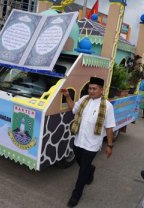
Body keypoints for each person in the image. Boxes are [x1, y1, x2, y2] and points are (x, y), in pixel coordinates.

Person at [61, 76, 115, 207]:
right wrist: (68, 96)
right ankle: (91, 170)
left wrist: (109, 145)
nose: (91, 91)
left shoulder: (107, 106)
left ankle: (76, 195)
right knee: (82, 164)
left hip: (92, 144)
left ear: (102, 90)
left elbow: (109, 127)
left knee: (82, 171)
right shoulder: (84, 100)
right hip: (78, 141)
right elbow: (73, 109)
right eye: (90, 88)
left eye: (94, 89)